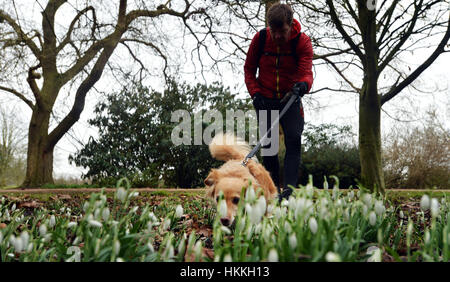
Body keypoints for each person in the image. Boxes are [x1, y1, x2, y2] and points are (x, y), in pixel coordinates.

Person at [244, 3, 313, 201]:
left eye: (281, 31)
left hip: (290, 98)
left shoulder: (302, 42)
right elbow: (249, 69)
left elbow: (306, 72)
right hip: (264, 98)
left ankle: (289, 193)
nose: (277, 37)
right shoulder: (261, 39)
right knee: (270, 146)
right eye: (273, 31)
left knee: (293, 139)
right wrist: (255, 93)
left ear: (291, 25)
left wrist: (302, 85)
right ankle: (271, 193)